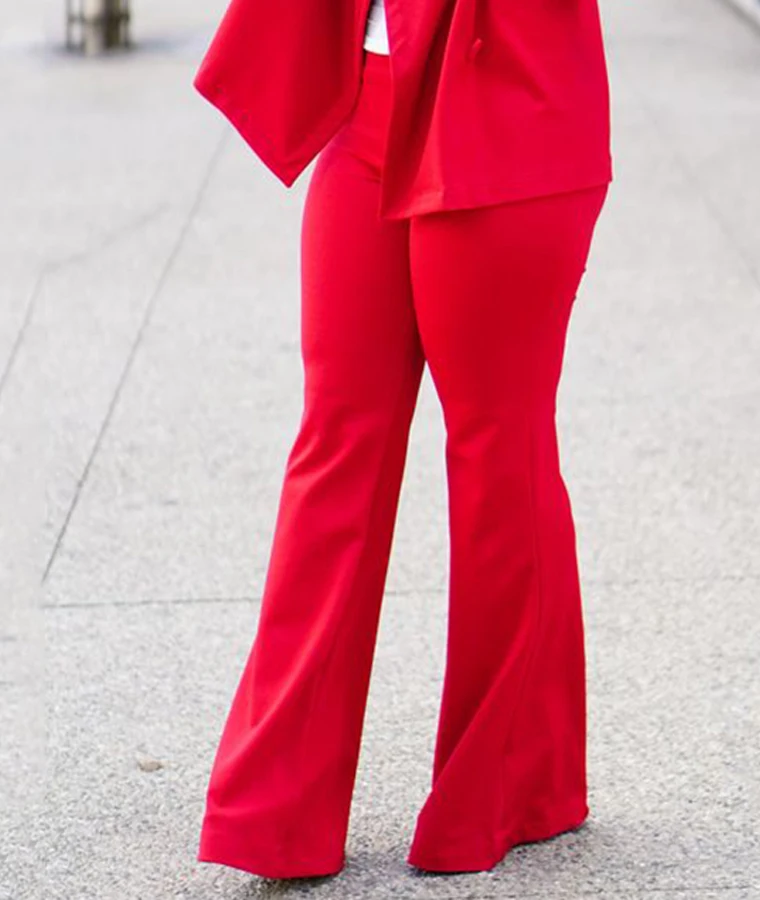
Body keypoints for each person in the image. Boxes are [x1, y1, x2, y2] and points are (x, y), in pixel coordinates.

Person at [192, 0, 613, 879]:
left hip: (506, 100)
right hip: (370, 94)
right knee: (336, 441)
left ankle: (507, 786)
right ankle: (278, 812)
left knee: (500, 451)